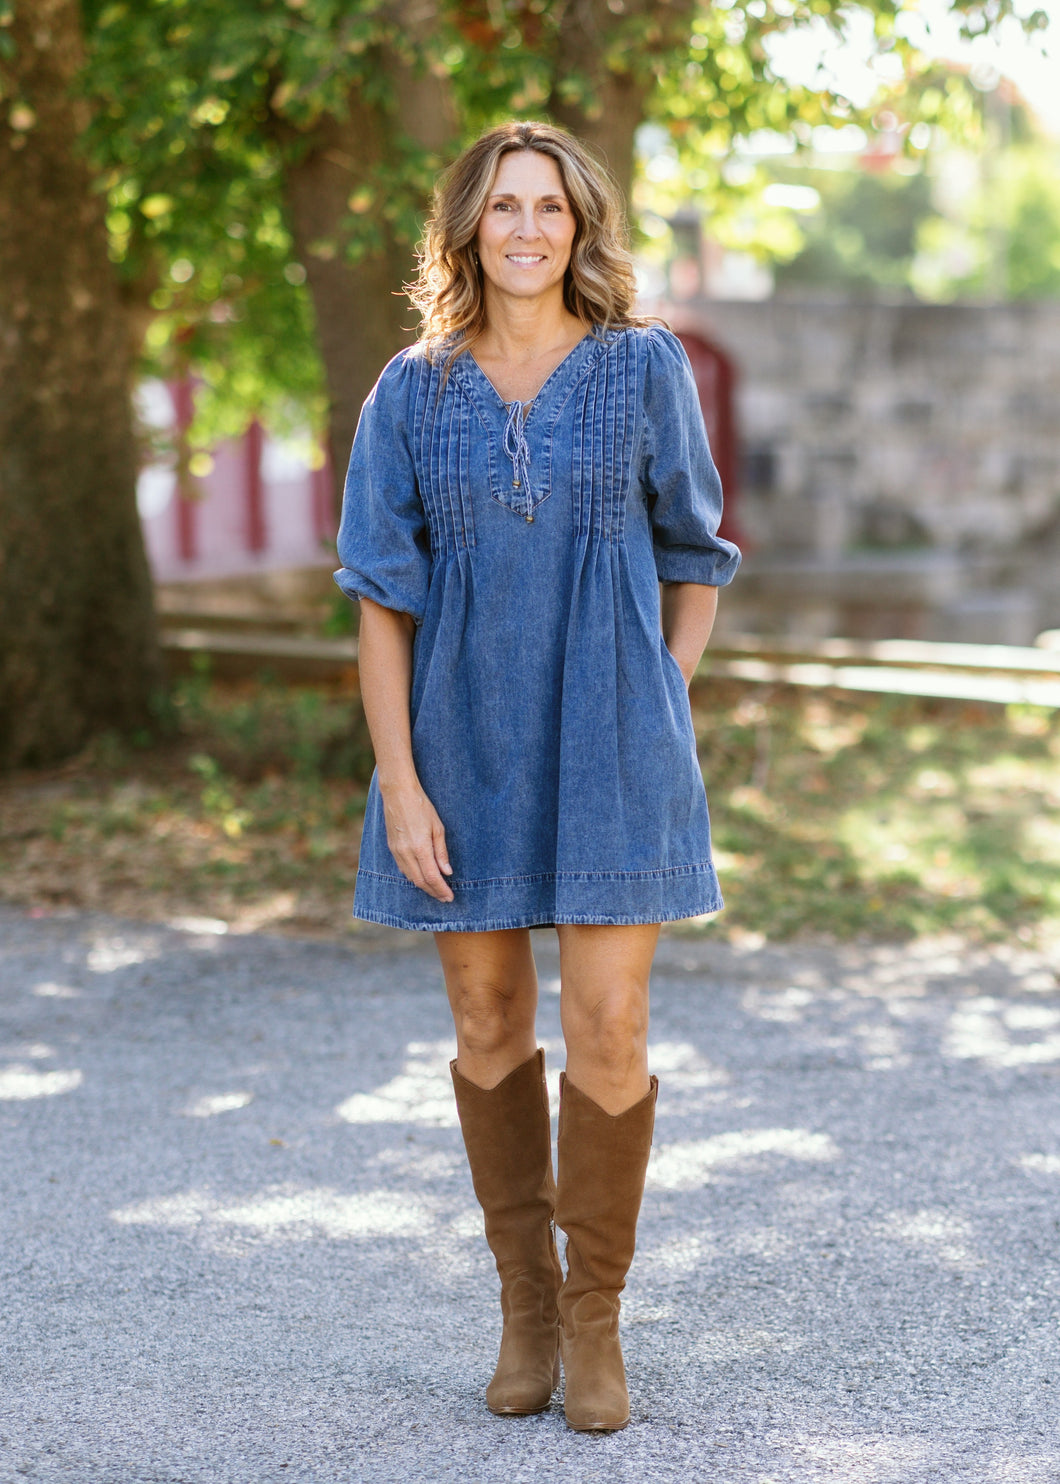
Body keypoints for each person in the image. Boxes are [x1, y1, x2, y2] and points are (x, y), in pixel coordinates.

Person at [334, 120, 740, 1432]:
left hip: (616, 745)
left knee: (613, 1026)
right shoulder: (411, 392)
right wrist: (400, 783)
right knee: (488, 1021)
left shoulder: (641, 367)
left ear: (580, 229)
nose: (526, 228)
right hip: (458, 749)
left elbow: (696, 555)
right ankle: (525, 1306)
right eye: (503, 205)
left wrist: (658, 699)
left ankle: (596, 1318)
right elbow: (381, 601)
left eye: (549, 208)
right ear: (468, 227)